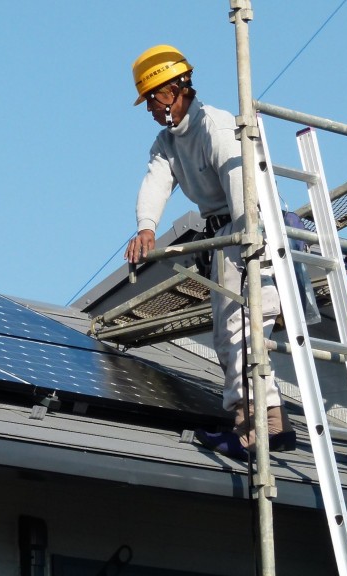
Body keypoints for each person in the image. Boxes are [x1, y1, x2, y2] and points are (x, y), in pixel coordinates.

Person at [123, 45, 295, 459]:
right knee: (228, 335)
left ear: (171, 92)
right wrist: (146, 228)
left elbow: (244, 194)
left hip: (252, 231)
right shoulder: (168, 141)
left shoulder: (217, 128)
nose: (148, 109)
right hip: (226, 238)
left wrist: (246, 244)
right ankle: (260, 423)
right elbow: (156, 182)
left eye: (150, 99)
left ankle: (263, 427)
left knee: (243, 330)